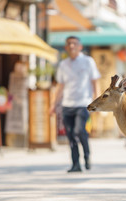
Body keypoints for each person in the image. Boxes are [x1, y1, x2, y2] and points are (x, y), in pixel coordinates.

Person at [50, 36, 100, 172]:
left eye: (74, 43)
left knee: (80, 131)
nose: (71, 46)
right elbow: (60, 86)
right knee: (71, 135)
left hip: (83, 103)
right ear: (66, 48)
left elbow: (95, 82)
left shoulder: (88, 62)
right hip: (67, 104)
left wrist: (98, 102)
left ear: (80, 47)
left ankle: (87, 156)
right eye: (69, 44)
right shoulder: (63, 65)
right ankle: (75, 164)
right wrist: (53, 104)